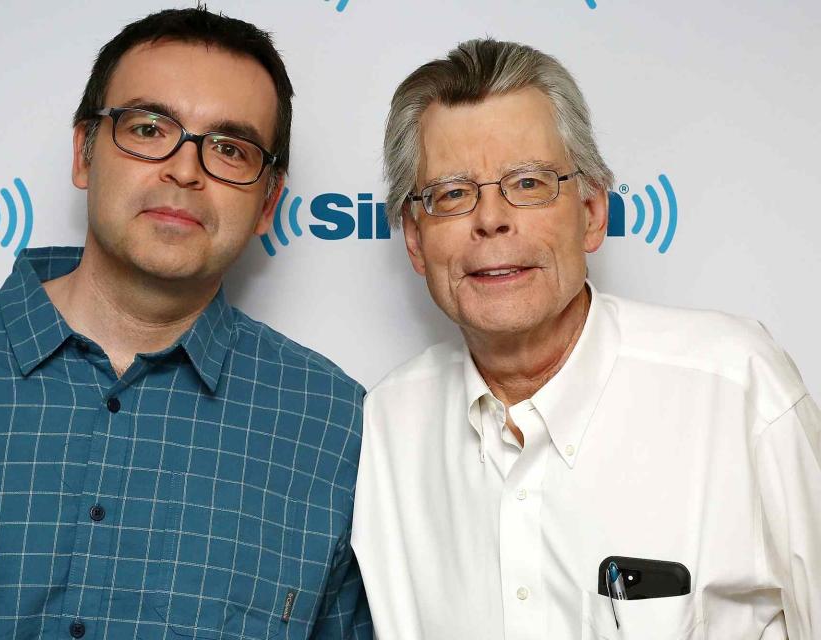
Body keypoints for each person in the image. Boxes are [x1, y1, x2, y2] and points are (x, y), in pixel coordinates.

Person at [0, 8, 371, 639]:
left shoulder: (332, 427)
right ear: (83, 153)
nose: (185, 170)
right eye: (150, 128)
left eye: (230, 149)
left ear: (268, 203)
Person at [351, 38, 819, 639]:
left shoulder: (738, 389)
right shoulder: (386, 428)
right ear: (415, 240)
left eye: (527, 183)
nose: (491, 219)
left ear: (593, 211)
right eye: (452, 194)